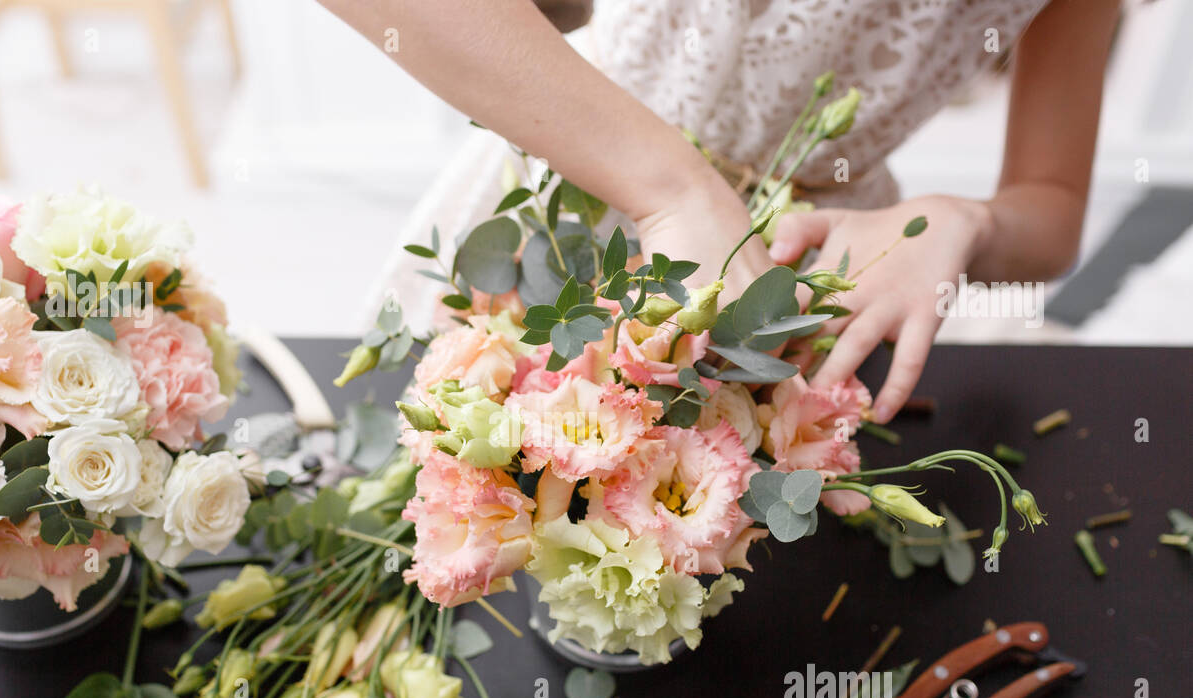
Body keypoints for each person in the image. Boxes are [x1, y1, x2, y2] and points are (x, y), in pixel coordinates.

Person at [318, 0, 1120, 422]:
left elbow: (1050, 213)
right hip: (567, 184)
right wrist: (678, 192)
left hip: (811, 273)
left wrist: (964, 221)